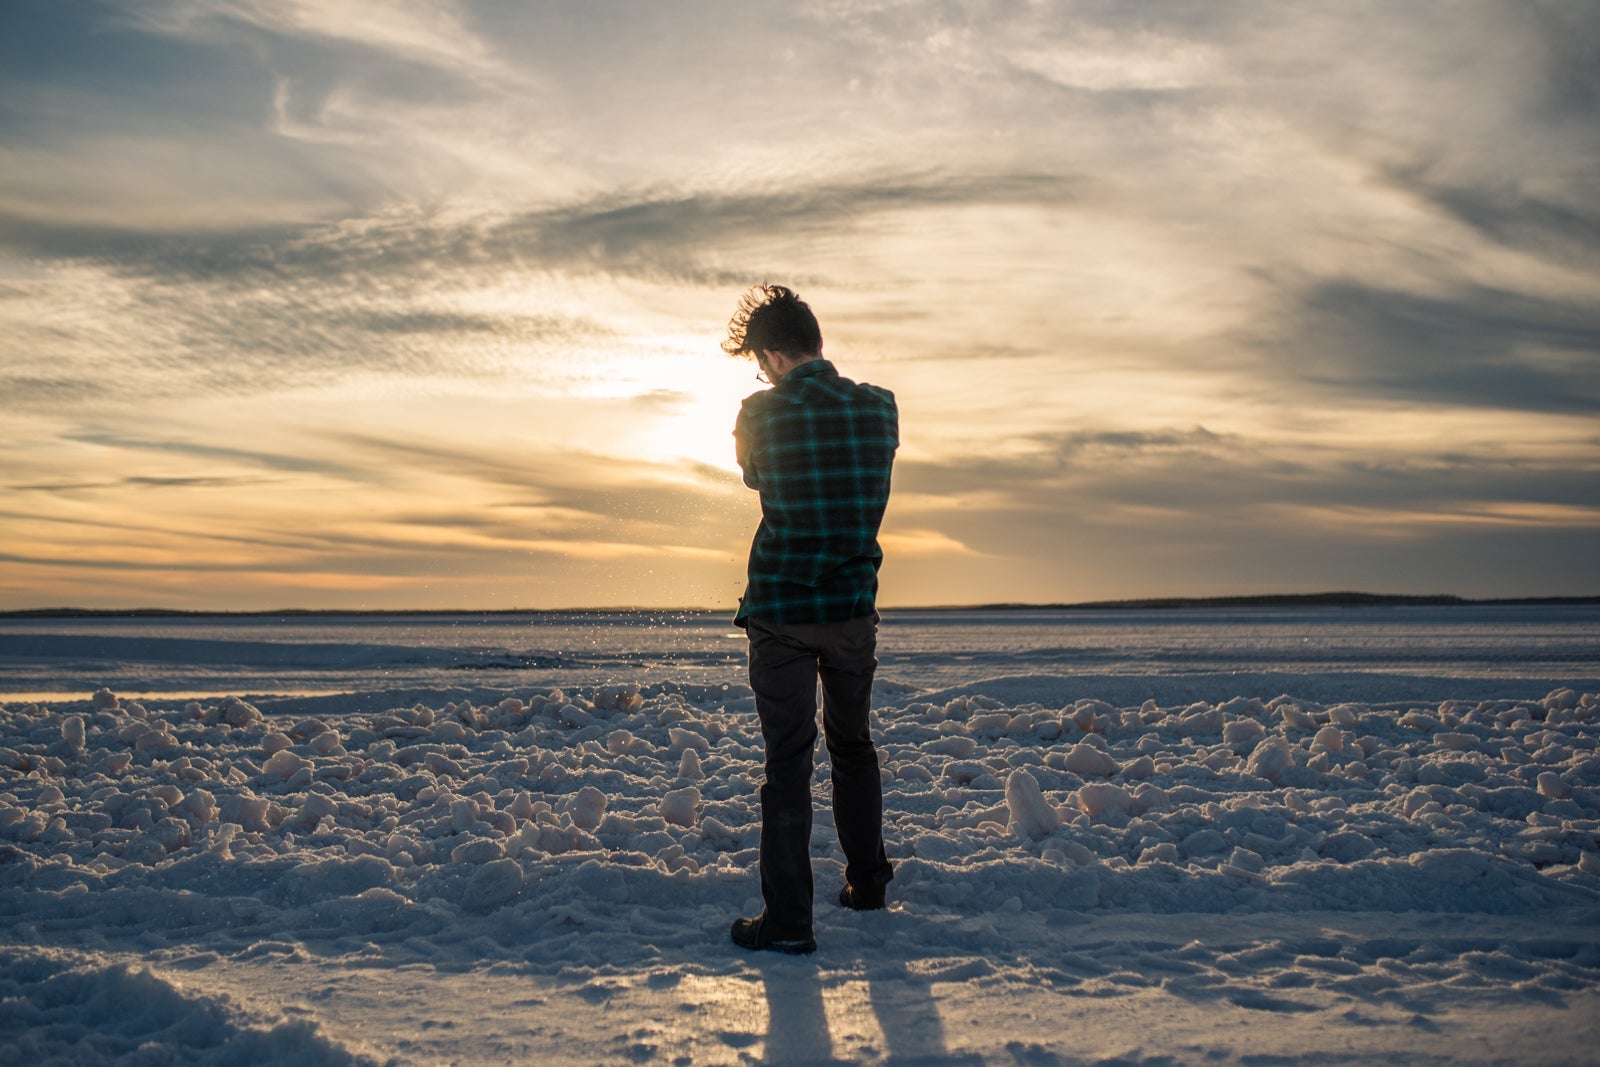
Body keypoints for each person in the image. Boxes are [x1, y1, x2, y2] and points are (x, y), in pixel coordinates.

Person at [721, 283, 899, 954]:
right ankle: (868, 880)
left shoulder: (758, 413)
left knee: (788, 762)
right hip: (852, 605)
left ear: (770, 354)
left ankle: (791, 920)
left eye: (759, 362)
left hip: (782, 608)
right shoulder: (880, 408)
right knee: (853, 744)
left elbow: (755, 480)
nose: (760, 374)